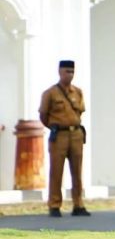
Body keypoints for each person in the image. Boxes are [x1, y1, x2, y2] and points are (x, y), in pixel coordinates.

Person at [38, 59, 89, 217]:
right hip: (59, 135)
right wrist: (56, 126)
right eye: (67, 71)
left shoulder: (78, 92)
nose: (70, 75)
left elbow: (80, 112)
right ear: (60, 72)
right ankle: (54, 205)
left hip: (76, 135)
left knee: (77, 171)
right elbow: (43, 115)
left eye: (72, 72)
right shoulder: (50, 93)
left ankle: (78, 204)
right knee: (56, 171)